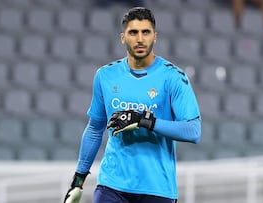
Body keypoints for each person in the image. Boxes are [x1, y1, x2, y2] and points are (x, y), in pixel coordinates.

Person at [63, 7, 201, 203]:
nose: (140, 39)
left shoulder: (173, 77)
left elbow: (193, 131)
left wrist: (144, 121)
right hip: (112, 185)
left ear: (155, 37)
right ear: (122, 37)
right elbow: (95, 129)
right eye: (133, 32)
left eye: (146, 32)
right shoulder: (105, 76)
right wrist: (78, 181)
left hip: (157, 188)